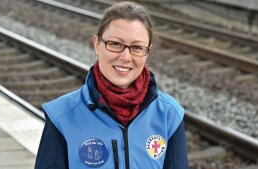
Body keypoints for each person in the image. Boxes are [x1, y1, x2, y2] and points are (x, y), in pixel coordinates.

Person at [35, 1, 188, 169]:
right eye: (115, 44)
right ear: (97, 44)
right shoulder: (62, 116)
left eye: (136, 47)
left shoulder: (169, 115)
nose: (125, 57)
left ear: (147, 51)